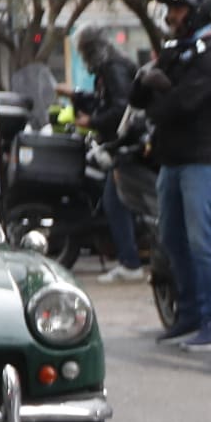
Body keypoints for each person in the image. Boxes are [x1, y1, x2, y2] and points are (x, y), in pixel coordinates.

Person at [135, 0, 211, 350]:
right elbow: (143, 97)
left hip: (203, 160)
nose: (171, 15)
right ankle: (190, 314)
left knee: (202, 240)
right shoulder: (179, 49)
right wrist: (149, 80)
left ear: (196, 10)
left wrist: (160, 84)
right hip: (174, 160)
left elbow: (179, 105)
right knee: (173, 239)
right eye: (170, 8)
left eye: (177, 8)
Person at [74, 29, 146, 283]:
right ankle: (130, 258)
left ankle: (130, 262)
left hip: (127, 146)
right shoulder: (109, 68)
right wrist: (76, 97)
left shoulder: (113, 68)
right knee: (119, 200)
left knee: (115, 201)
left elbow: (120, 109)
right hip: (123, 145)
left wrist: (91, 121)